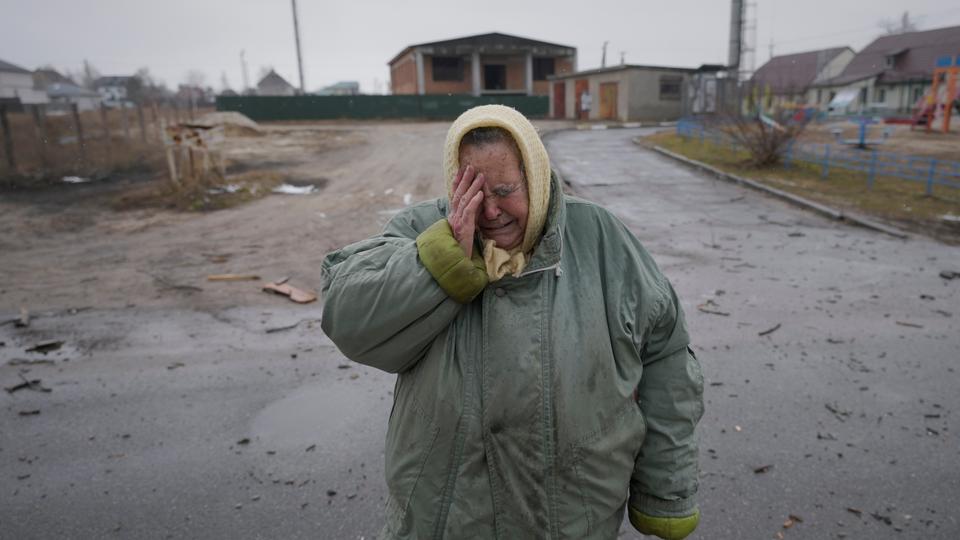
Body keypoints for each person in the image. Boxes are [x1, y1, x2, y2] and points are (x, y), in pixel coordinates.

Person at [321, 105, 703, 539]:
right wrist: (440, 262)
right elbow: (347, 318)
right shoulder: (423, 229)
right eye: (472, 191)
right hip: (444, 521)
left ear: (537, 178)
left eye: (504, 190)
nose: (489, 212)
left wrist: (665, 490)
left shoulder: (601, 238)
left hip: (574, 519)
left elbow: (667, 359)